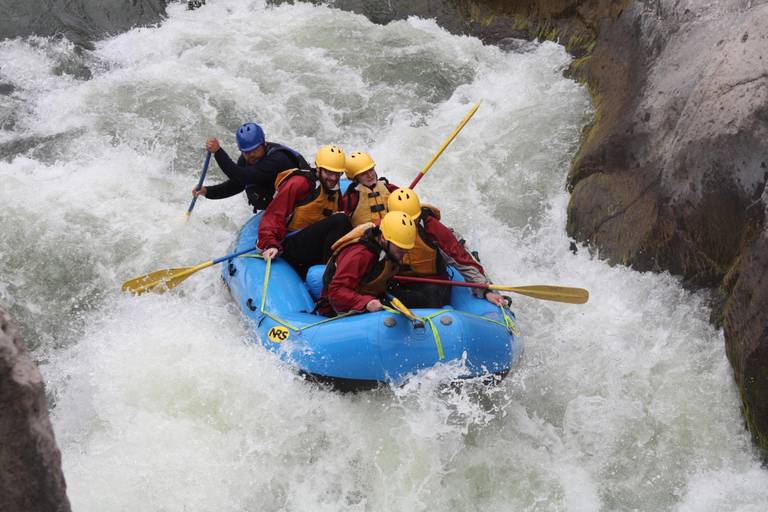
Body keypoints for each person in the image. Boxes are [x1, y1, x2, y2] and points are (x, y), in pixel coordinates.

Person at [386, 188, 507, 308]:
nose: (409, 225)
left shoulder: (433, 228)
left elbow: (460, 259)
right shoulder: (383, 230)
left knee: (431, 292)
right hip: (398, 283)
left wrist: (486, 290)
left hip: (431, 283)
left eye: (413, 220)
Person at [257, 145, 352, 279]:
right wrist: (270, 243)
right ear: (318, 168)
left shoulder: (335, 191)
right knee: (340, 220)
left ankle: (338, 273)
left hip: (313, 249)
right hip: (292, 248)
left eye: (338, 173)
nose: (334, 178)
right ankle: (329, 278)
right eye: (329, 172)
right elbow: (274, 216)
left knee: (344, 221)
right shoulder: (300, 183)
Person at [315, 211, 417, 316]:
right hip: (338, 308)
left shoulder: (385, 248)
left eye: (407, 247)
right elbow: (336, 292)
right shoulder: (360, 255)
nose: (405, 251)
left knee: (419, 299)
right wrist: (366, 302)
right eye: (400, 246)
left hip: (369, 296)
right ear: (383, 238)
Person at [191, 122, 310, 212]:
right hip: (284, 206)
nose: (252, 155)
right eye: (247, 151)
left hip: (304, 203)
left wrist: (218, 152)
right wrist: (207, 191)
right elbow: (236, 185)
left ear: (264, 144)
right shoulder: (245, 159)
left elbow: (241, 177)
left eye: (255, 150)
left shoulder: (276, 159)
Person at [342, 151, 401, 227]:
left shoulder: (389, 188)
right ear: (353, 179)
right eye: (363, 173)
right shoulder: (350, 200)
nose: (370, 175)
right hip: (366, 237)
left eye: (371, 170)